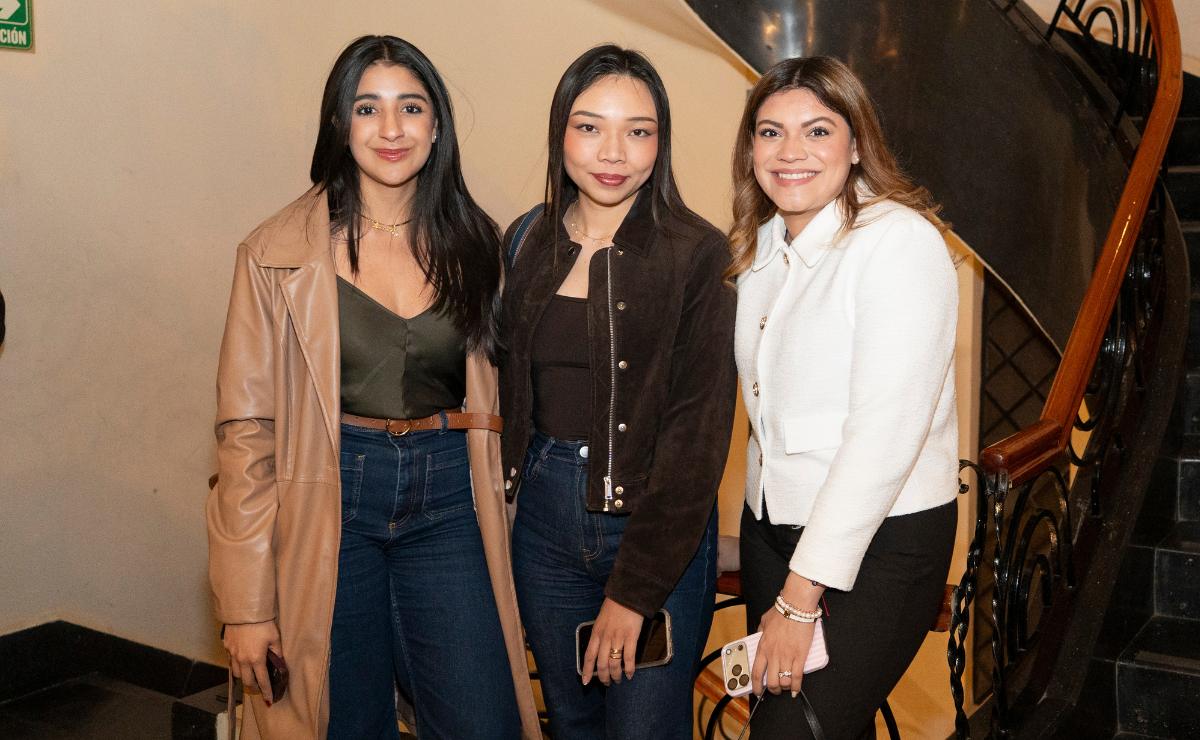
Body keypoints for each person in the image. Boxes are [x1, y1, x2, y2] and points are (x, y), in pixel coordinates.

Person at [208, 35, 538, 739]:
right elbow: (245, 436)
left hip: (451, 500)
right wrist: (245, 605)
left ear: (437, 125)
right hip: (328, 502)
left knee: (486, 719)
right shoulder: (273, 254)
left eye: (410, 107)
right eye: (368, 108)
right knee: (341, 721)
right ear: (339, 123)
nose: (391, 130)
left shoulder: (479, 246)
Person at [499, 45, 737, 740]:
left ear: (660, 144)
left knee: (643, 729)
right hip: (541, 523)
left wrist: (633, 596)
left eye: (638, 130)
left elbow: (697, 436)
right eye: (589, 126)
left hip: (650, 528)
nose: (614, 151)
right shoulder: (525, 240)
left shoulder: (697, 253)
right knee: (571, 723)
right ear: (559, 134)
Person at [730, 56, 959, 737]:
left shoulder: (898, 243)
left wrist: (800, 602)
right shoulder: (762, 247)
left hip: (881, 543)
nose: (790, 152)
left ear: (857, 144)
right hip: (773, 533)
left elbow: (884, 436)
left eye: (817, 131)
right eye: (770, 132)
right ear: (750, 150)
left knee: (791, 730)